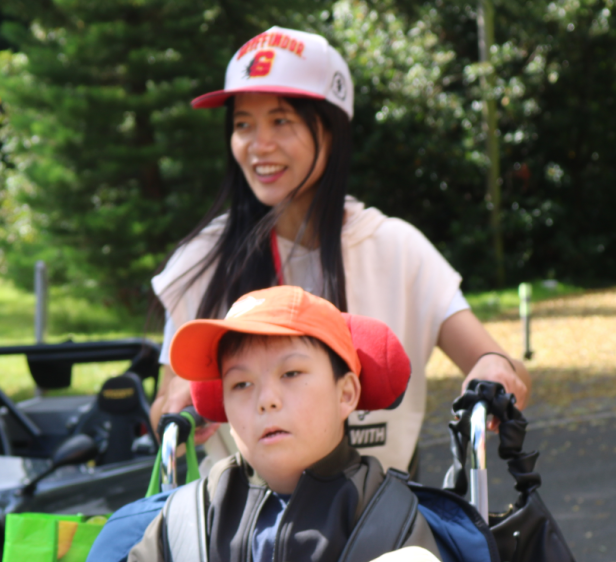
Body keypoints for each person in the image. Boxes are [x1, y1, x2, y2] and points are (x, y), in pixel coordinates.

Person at [151, 25, 530, 477]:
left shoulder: (395, 248)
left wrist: (494, 368)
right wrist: (178, 404)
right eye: (242, 124)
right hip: (240, 530)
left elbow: (501, 367)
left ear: (331, 130)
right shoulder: (203, 260)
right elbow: (163, 414)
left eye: (281, 120)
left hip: (380, 524)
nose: (258, 144)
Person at [94, 286, 452, 562]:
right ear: (225, 414)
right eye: (241, 385)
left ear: (345, 394)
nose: (266, 399)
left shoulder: (386, 513)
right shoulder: (186, 516)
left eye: (291, 373)